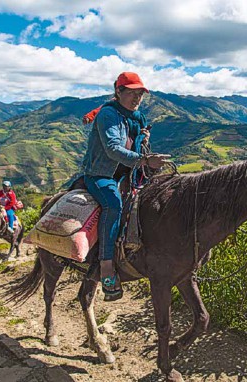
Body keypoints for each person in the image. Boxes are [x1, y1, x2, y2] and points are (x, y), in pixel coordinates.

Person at [78, 71, 171, 301]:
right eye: (132, 92)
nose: (137, 98)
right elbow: (112, 148)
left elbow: (136, 144)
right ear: (118, 91)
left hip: (128, 174)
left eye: (140, 94)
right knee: (113, 204)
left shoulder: (136, 117)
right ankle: (107, 265)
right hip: (101, 175)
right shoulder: (108, 115)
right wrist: (144, 160)